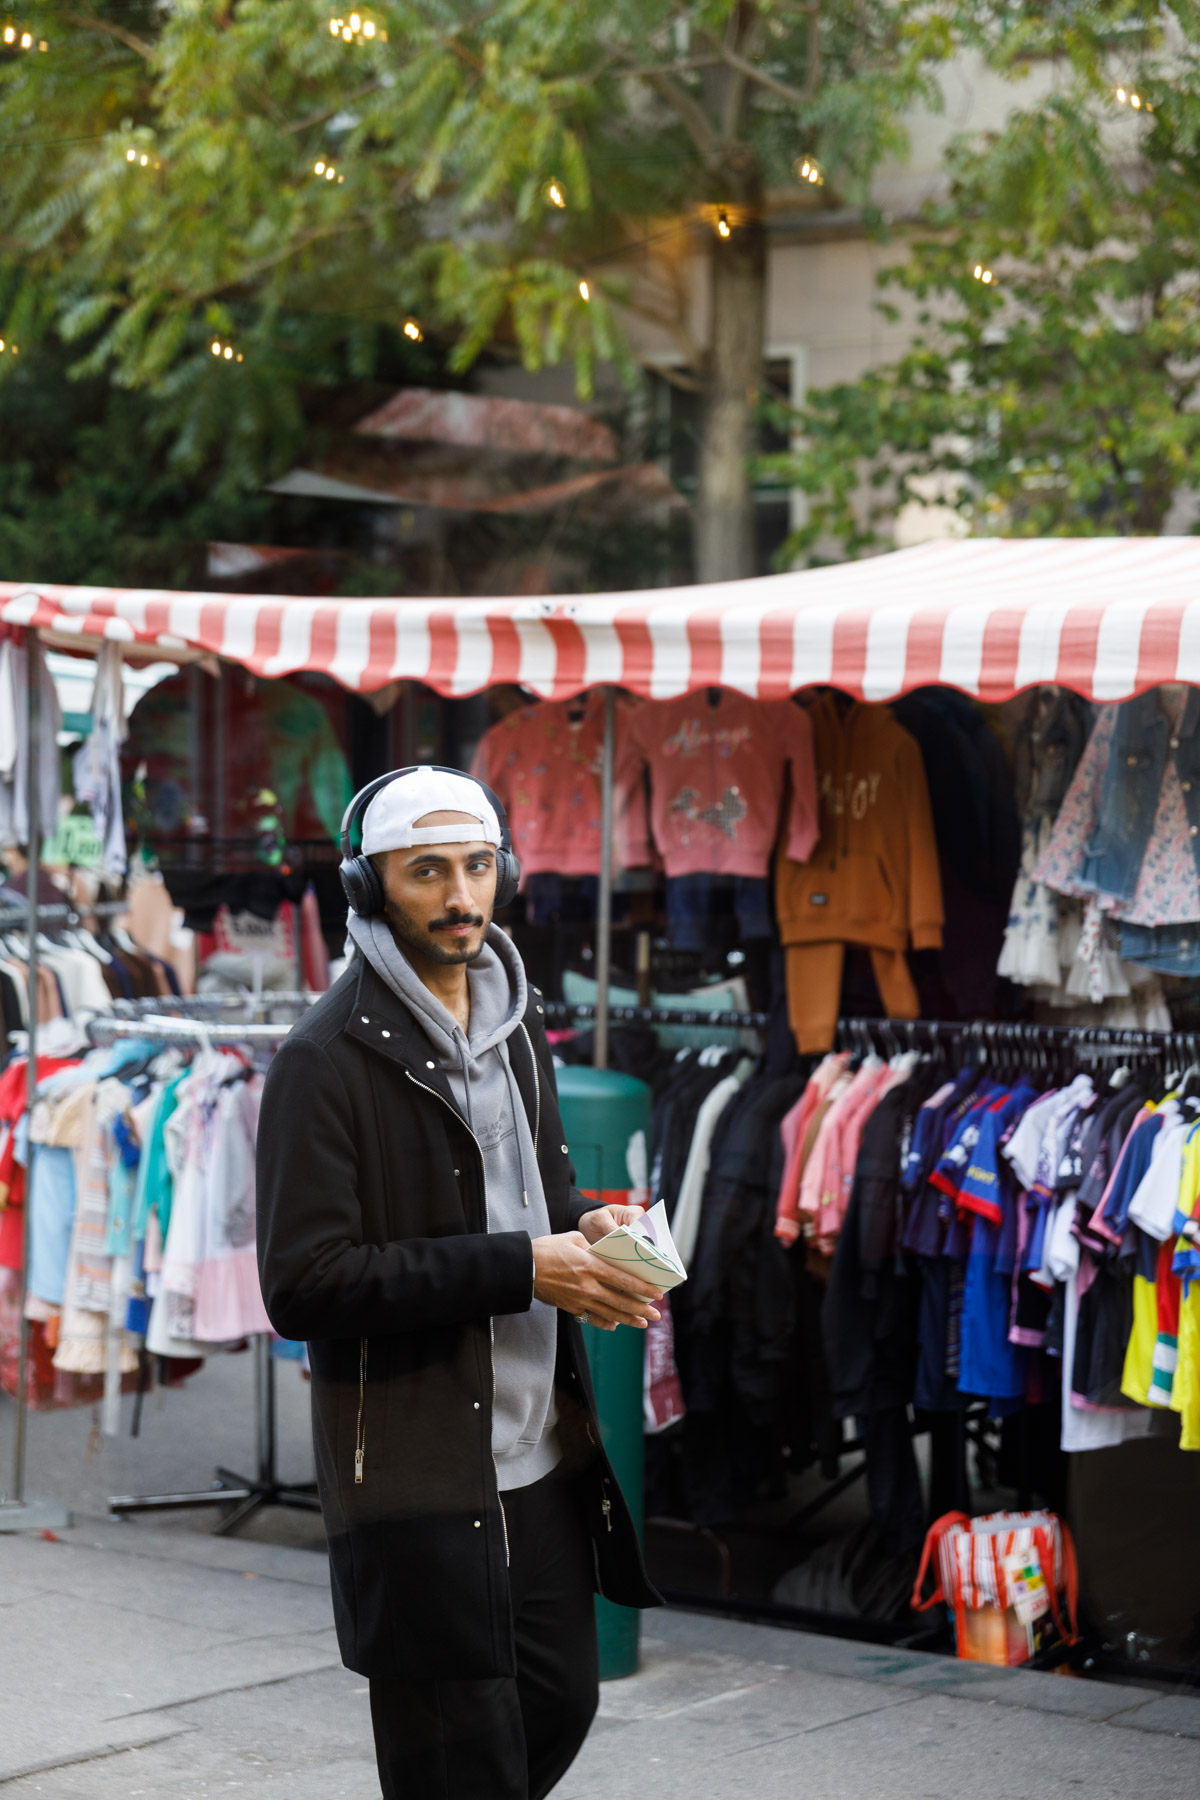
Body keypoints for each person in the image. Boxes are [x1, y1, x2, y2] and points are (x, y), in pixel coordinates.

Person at [256, 765, 662, 1800]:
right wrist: (526, 1265)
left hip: (539, 1461)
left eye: (478, 867)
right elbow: (304, 1285)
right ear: (370, 884)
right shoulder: (324, 1058)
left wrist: (590, 1227)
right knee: (457, 1761)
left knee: (563, 1702)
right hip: (418, 1474)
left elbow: (546, 1193)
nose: (460, 896)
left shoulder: (516, 1019)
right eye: (428, 870)